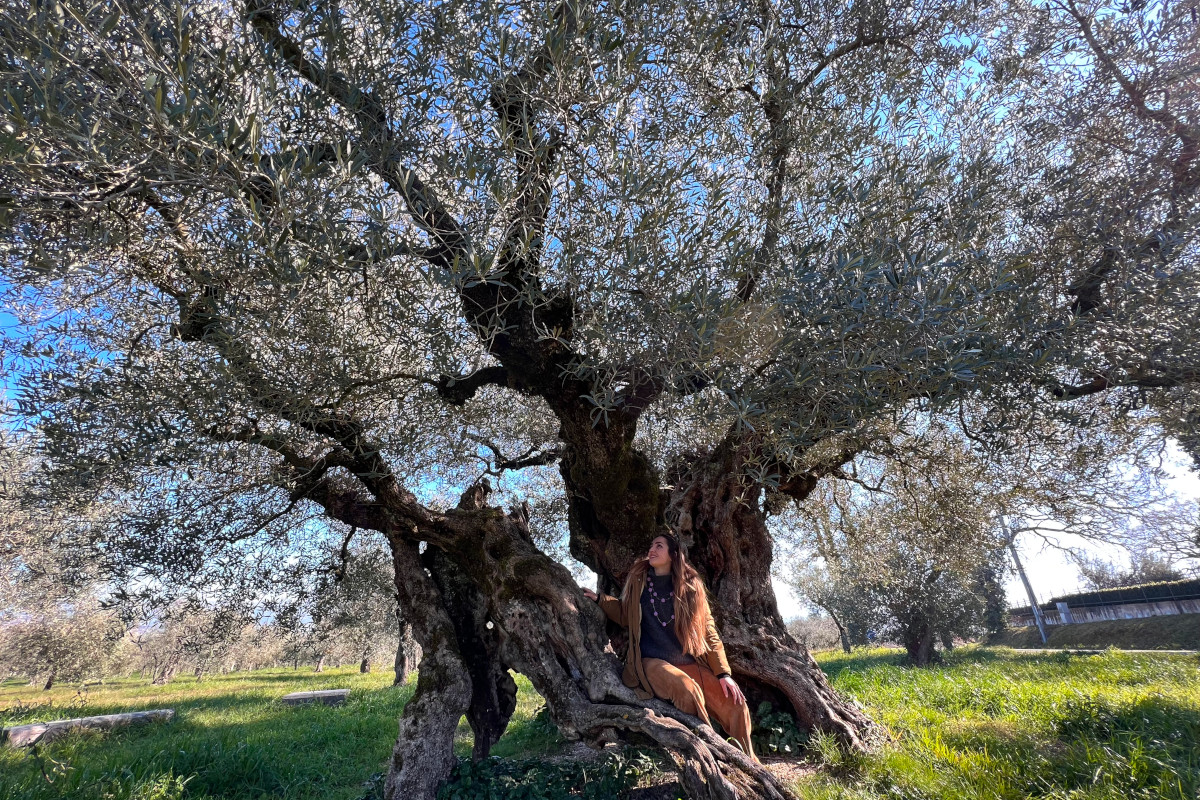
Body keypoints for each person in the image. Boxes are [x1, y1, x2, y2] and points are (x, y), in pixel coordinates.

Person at [583, 532, 757, 760]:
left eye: (659, 546)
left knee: (736, 703)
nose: (652, 550)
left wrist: (724, 674)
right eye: (651, 546)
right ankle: (710, 755)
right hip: (651, 664)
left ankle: (748, 762)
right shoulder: (639, 581)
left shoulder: (691, 587)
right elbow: (627, 615)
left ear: (673, 555)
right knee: (686, 690)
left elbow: (708, 631)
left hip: (688, 662)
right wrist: (600, 600)